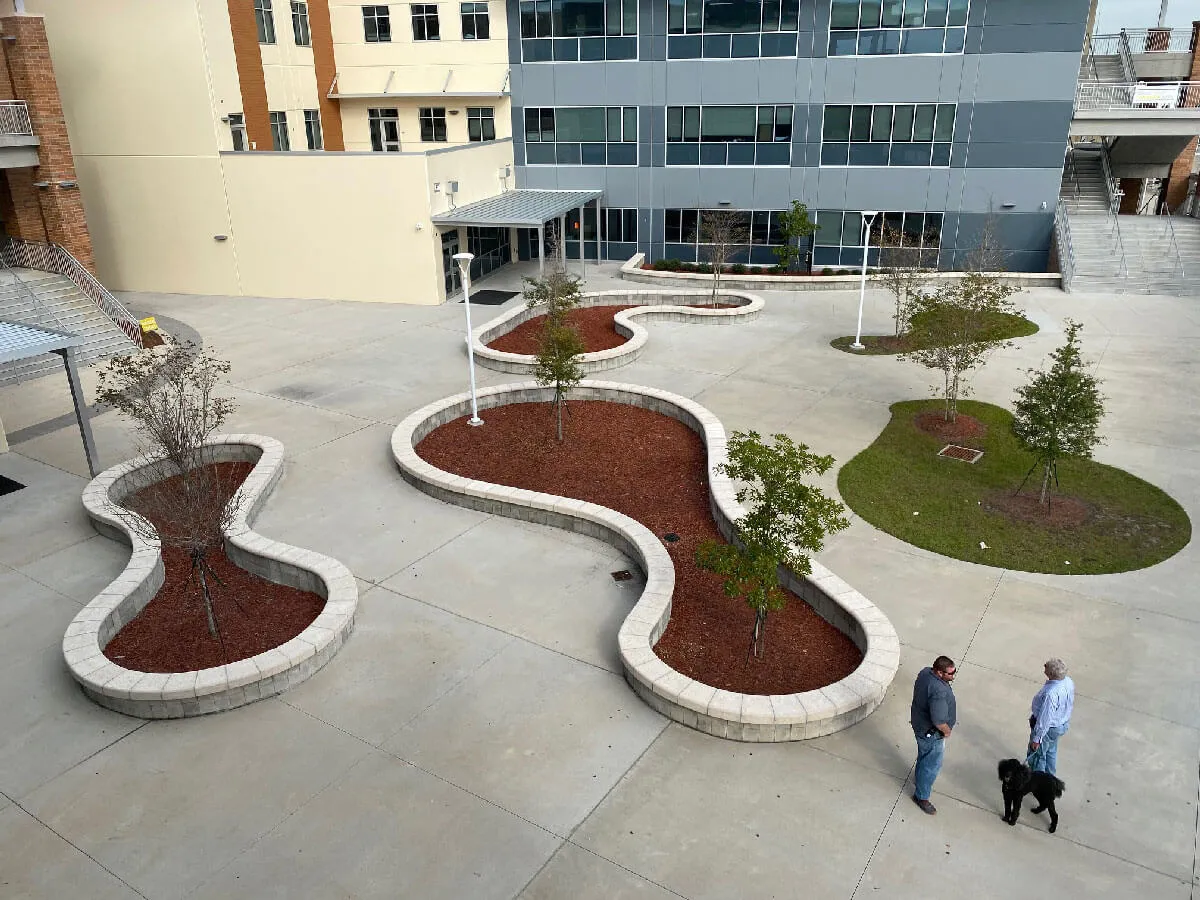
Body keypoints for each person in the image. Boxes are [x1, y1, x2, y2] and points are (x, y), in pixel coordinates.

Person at [909, 655, 957, 815]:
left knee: (924, 756)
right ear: (938, 672)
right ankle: (921, 797)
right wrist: (947, 730)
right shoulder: (938, 691)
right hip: (931, 733)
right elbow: (938, 720)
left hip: (919, 724)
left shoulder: (925, 672)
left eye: (954, 672)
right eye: (949, 673)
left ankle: (919, 780)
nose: (953, 676)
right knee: (931, 765)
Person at [1028, 657, 1074, 776]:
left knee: (1039, 755)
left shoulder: (1051, 694)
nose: (1045, 665)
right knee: (1051, 751)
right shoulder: (1068, 681)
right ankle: (1050, 777)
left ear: (1052, 674)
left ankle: (1038, 780)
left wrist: (1038, 738)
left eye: (1047, 666)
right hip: (1060, 724)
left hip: (1048, 729)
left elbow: (1045, 718)